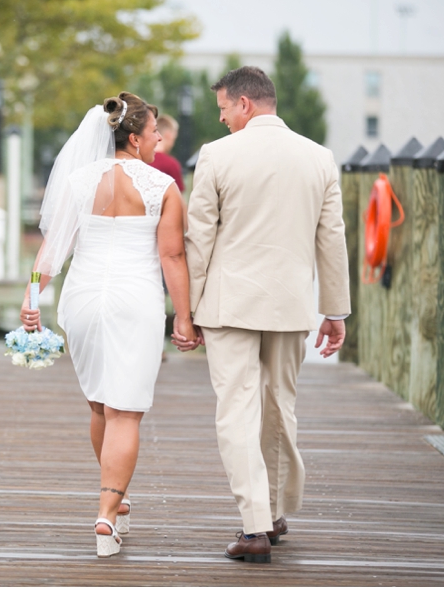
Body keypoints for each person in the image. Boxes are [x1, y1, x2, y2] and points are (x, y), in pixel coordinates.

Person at [20, 92, 201, 558]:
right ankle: (106, 513)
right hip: (133, 299)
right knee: (126, 412)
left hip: (81, 301)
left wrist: (31, 295)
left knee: (101, 407)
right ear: (135, 138)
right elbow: (172, 255)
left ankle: (115, 503)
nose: (160, 139)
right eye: (154, 132)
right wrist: (184, 316)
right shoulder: (162, 186)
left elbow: (52, 250)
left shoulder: (78, 181)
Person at [185, 66, 350, 563]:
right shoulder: (320, 158)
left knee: (237, 411)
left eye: (223, 110)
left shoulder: (216, 156)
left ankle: (254, 527)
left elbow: (200, 238)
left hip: (228, 303)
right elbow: (332, 238)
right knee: (280, 406)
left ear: (245, 105)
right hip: (291, 303)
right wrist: (335, 310)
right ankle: (274, 517)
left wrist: (188, 312)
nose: (221, 121)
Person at [149, 114, 185, 193]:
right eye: (174, 138)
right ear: (168, 135)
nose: (173, 143)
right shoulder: (171, 164)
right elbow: (179, 197)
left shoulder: (141, 160)